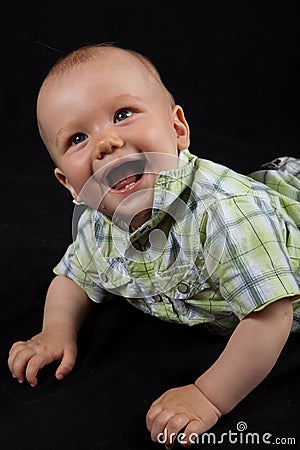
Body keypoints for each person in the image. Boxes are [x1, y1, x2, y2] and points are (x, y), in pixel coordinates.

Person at [8, 43, 300, 448]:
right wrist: (56, 330)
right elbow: (72, 278)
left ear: (177, 129)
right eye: (77, 137)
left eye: (122, 115)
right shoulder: (99, 224)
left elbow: (271, 317)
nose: (105, 143)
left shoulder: (225, 214)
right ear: (69, 184)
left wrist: (207, 395)